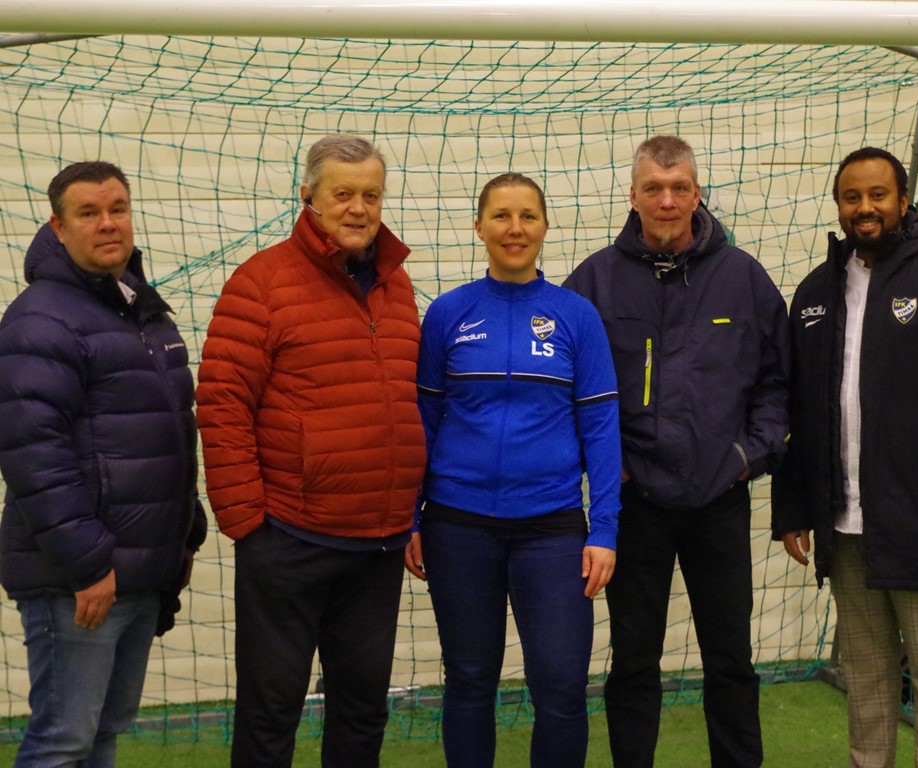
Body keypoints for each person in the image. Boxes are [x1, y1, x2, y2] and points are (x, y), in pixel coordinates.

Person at [772, 146, 918, 768]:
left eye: (878, 195)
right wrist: (795, 507)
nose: (865, 208)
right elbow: (799, 410)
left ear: (903, 201)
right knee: (868, 679)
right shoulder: (816, 293)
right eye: (852, 197)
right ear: (839, 205)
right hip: (845, 530)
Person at [196, 134, 426, 767]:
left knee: (361, 714)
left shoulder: (396, 285)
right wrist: (250, 526)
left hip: (375, 546)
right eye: (342, 194)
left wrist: (409, 515)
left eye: (371, 194)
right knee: (271, 715)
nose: (358, 208)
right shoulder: (261, 282)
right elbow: (221, 403)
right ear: (309, 199)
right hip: (288, 542)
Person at [564, 136, 789, 768]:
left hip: (720, 496)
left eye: (680, 188)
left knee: (730, 659)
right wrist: (610, 471)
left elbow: (778, 382)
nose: (667, 201)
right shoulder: (592, 284)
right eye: (653, 189)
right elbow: (566, 394)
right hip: (634, 503)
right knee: (633, 660)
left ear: (697, 192)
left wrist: (749, 455)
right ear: (631, 195)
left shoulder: (742, 276)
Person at [404, 172, 620, 768]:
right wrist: (410, 519)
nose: (515, 228)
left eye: (528, 215)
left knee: (560, 686)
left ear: (546, 227)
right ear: (479, 227)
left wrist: (603, 530)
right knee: (470, 682)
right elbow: (423, 422)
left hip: (551, 528)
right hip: (457, 526)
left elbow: (601, 431)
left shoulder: (576, 317)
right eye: (501, 215)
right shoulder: (448, 314)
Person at [0, 161, 207, 767]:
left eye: (117, 208)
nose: (108, 223)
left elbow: (166, 433)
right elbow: (34, 456)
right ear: (58, 229)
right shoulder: (40, 320)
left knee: (103, 734)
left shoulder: (143, 311)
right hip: (81, 580)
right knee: (62, 741)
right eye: (88, 213)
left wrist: (183, 532)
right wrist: (87, 564)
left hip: (141, 569)